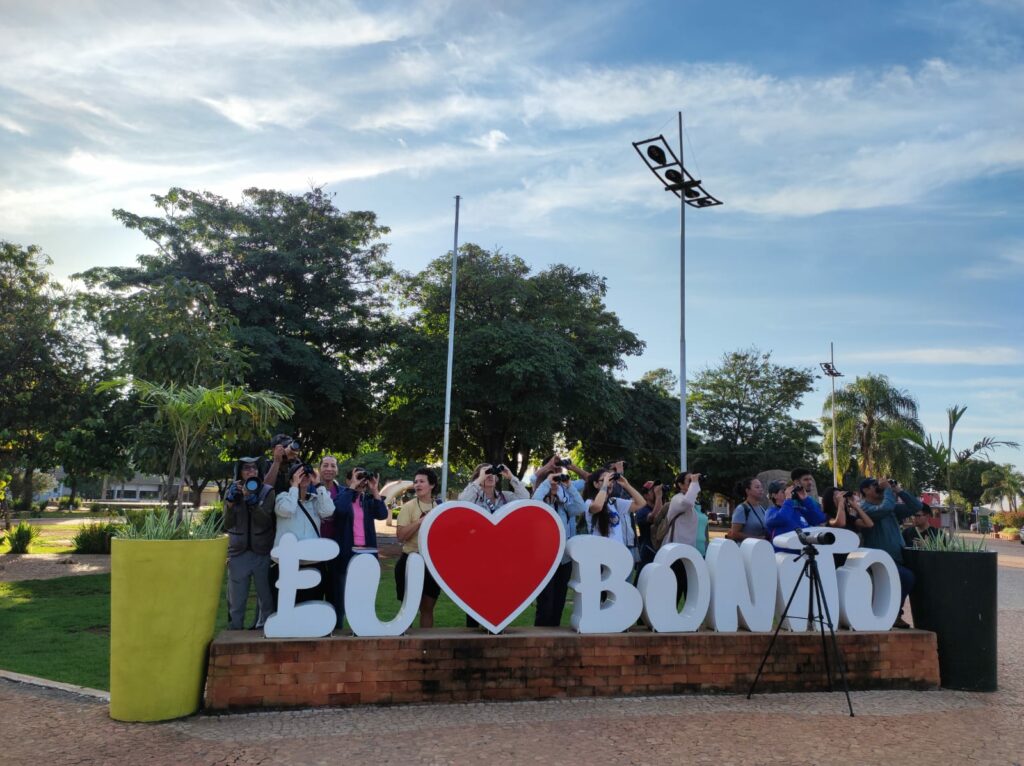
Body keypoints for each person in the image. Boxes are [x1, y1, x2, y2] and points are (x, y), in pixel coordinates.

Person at [329, 467, 389, 630]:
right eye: (358, 477)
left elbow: (383, 514)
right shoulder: (343, 497)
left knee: (363, 594)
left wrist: (375, 490)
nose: (362, 481)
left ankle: (362, 628)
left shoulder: (368, 500)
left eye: (364, 478)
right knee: (340, 596)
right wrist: (352, 487)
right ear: (349, 480)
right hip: (346, 552)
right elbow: (339, 510)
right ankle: (338, 628)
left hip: (366, 552)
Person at [858, 477, 921, 628]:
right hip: (879, 559)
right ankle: (892, 614)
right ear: (865, 490)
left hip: (896, 556)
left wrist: (898, 490)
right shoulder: (864, 508)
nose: (879, 487)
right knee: (907, 577)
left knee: (905, 580)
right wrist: (887, 490)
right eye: (875, 486)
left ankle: (893, 614)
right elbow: (883, 510)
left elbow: (916, 506)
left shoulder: (889, 505)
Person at [223, 457, 276, 630]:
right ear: (239, 473)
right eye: (246, 469)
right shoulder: (232, 490)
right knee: (236, 601)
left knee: (266, 599)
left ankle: (264, 632)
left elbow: (265, 521)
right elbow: (227, 524)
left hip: (262, 551)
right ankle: (234, 634)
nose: (251, 472)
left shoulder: (267, 491)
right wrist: (230, 504)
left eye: (254, 468)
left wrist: (252, 501)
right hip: (238, 552)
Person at [532, 470, 586, 626]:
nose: (556, 484)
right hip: (545, 557)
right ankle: (541, 634)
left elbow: (580, 508)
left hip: (564, 557)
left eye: (558, 480)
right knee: (546, 600)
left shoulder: (564, 504)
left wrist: (569, 486)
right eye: (553, 481)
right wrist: (547, 482)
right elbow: (535, 501)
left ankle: (555, 632)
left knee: (560, 598)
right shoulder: (540, 504)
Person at [274, 462, 334, 603]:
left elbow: (328, 511)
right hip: (288, 563)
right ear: (291, 479)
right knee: (289, 603)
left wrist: (318, 485)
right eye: (299, 475)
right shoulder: (282, 498)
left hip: (313, 561)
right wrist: (295, 485)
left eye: (306, 475)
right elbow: (288, 510)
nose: (303, 477)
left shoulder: (315, 500)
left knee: (312, 602)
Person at [394, 467, 443, 628]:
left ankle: (426, 648)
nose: (417, 484)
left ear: (432, 485)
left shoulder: (440, 507)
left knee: (427, 609)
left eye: (422, 481)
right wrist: (420, 522)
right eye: (415, 482)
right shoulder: (408, 507)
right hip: (410, 561)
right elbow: (401, 536)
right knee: (408, 609)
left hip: (432, 564)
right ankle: (405, 646)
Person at [582, 468, 646, 567]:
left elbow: (641, 503)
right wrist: (604, 486)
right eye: (604, 480)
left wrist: (626, 485)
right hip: (600, 558)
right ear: (595, 484)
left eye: (611, 480)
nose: (609, 483)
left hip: (618, 556)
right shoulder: (589, 502)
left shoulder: (614, 502)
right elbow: (598, 506)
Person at [663, 472, 702, 604]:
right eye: (689, 480)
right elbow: (687, 502)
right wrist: (695, 483)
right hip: (676, 552)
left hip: (688, 552)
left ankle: (689, 617)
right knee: (676, 586)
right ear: (680, 485)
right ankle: (669, 616)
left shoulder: (692, 503)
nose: (693, 482)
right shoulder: (677, 499)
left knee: (688, 585)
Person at [765, 482, 827, 546]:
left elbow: (820, 518)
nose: (789, 493)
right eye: (784, 491)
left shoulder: (797, 510)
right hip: (786, 554)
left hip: (805, 552)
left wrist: (805, 499)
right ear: (774, 495)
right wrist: (788, 499)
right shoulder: (770, 512)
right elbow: (783, 518)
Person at [459, 463, 530, 512]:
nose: (490, 476)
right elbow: (463, 502)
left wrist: (511, 477)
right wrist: (480, 479)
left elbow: (525, 498)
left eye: (492, 473)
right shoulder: (473, 498)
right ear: (478, 478)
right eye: (487, 473)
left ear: (496, 478)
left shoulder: (504, 496)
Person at [635, 481, 666, 573]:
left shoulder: (664, 506)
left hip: (661, 549)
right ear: (645, 495)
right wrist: (659, 497)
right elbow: (656, 517)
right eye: (653, 490)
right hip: (648, 550)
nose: (657, 492)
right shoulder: (642, 510)